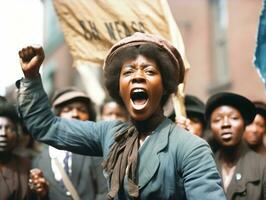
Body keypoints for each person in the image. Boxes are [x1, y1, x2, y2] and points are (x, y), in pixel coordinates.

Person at [16, 32, 226, 199]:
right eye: (128, 72)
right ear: (119, 89)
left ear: (164, 87)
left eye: (149, 71)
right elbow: (46, 126)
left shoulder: (190, 148)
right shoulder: (109, 133)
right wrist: (32, 77)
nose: (137, 77)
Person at [31, 87, 107, 200]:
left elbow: (104, 192)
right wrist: (41, 194)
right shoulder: (38, 160)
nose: (75, 114)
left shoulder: (97, 153)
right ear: (56, 117)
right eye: (67, 110)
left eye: (82, 110)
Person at [205, 92, 266, 199]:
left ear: (244, 124)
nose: (225, 124)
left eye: (234, 118)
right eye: (217, 120)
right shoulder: (204, 166)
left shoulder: (262, 167)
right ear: (210, 127)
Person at [0, 97, 47, 199]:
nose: (3, 133)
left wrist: (41, 193)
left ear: (17, 134)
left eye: (9, 128)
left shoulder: (27, 165)